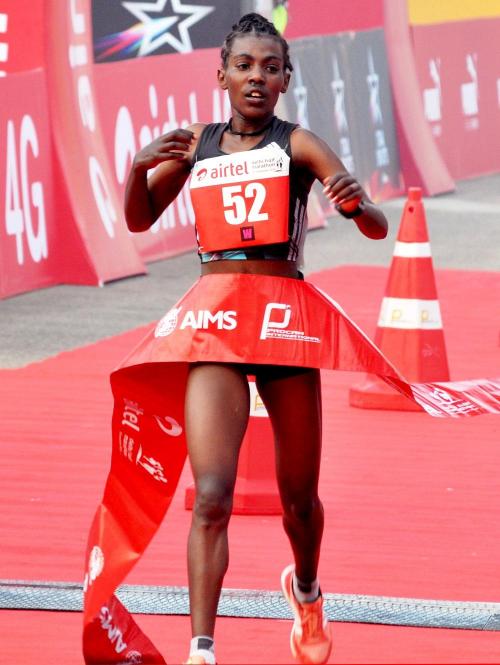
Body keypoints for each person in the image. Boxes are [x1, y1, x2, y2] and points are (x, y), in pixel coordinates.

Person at [124, 13, 388, 665]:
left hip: (283, 321)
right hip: (215, 319)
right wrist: (137, 168)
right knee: (211, 492)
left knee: (298, 498)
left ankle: (306, 591)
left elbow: (377, 226)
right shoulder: (197, 146)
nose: (256, 77)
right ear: (221, 75)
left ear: (286, 80)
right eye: (244, 65)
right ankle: (202, 649)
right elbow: (138, 217)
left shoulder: (298, 144)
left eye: (270, 67)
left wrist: (358, 205)